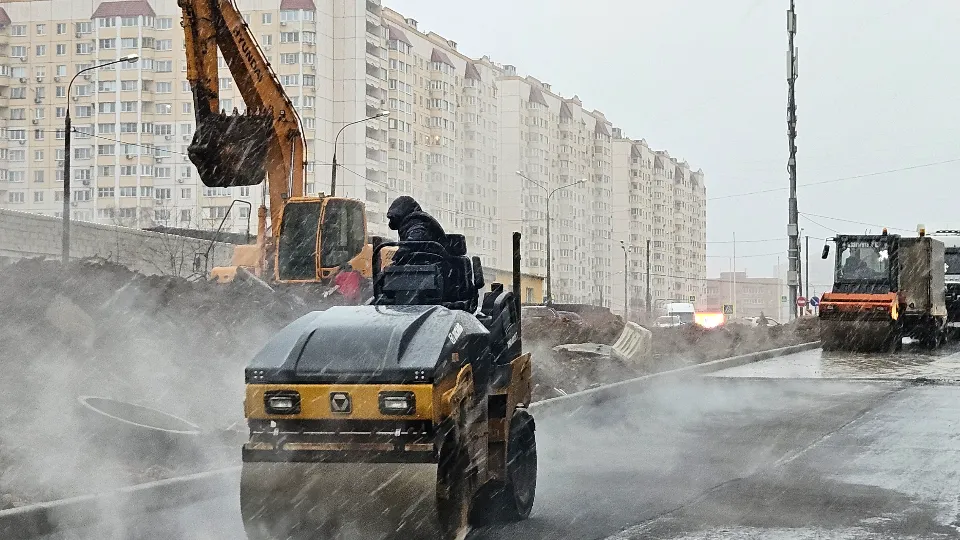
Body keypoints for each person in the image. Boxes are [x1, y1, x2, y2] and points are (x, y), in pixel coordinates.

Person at [386, 196, 446, 263]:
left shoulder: (417, 220)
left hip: (431, 263)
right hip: (428, 263)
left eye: (393, 217)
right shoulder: (414, 221)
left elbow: (415, 239)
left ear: (401, 214)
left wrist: (399, 256)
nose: (391, 221)